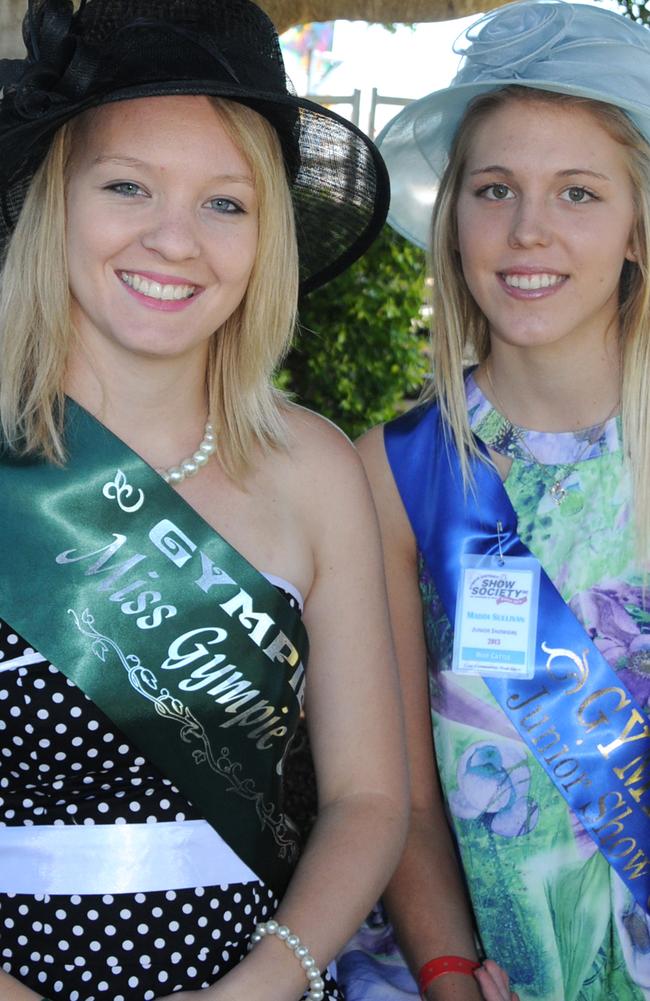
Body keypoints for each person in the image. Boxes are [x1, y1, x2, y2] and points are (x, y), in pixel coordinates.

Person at [0, 1, 409, 999]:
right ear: (57, 199)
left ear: (267, 232)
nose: (174, 239)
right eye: (128, 185)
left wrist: (262, 985)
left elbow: (367, 796)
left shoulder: (313, 468)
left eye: (224, 203)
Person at [337, 2, 650, 1000]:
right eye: (494, 188)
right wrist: (445, 968)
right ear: (452, 216)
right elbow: (399, 798)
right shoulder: (390, 471)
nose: (527, 231)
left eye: (576, 193)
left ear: (636, 226)